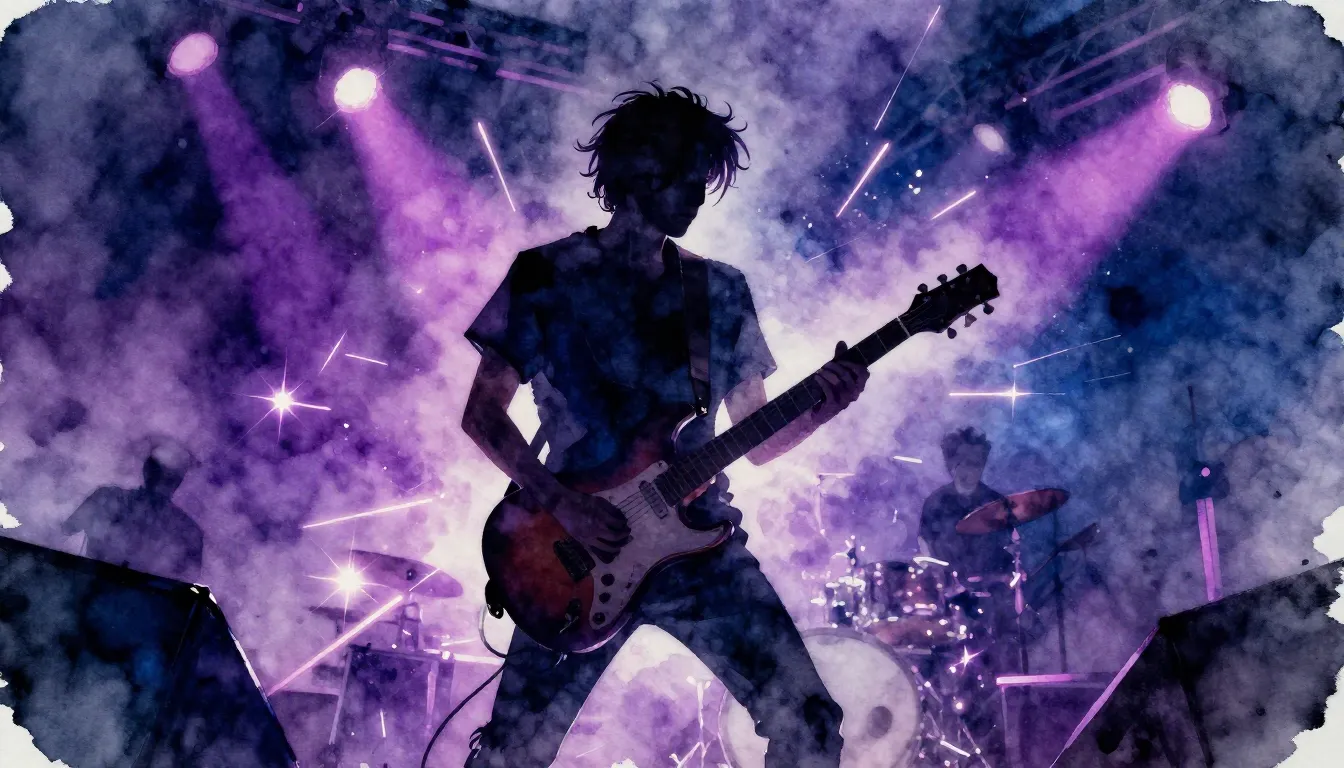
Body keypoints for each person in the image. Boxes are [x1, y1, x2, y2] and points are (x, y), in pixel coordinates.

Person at [459, 84, 869, 768]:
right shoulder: (545, 276)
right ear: (639, 169)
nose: (699, 195)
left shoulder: (721, 291)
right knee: (510, 756)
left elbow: (758, 441)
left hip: (700, 547)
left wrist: (826, 405)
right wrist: (562, 502)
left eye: (704, 179)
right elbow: (482, 414)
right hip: (573, 551)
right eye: (687, 177)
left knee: (809, 725)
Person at [61, 443, 203, 582]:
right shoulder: (189, 530)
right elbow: (62, 532)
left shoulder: (105, 497)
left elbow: (61, 532)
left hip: (95, 589)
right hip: (92, 588)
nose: (163, 479)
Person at [918, 426, 1013, 577]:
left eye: (979, 462)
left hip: (993, 584)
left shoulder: (997, 503)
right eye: (968, 462)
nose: (974, 468)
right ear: (952, 465)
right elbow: (926, 547)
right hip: (949, 585)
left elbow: (1009, 546)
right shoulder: (934, 504)